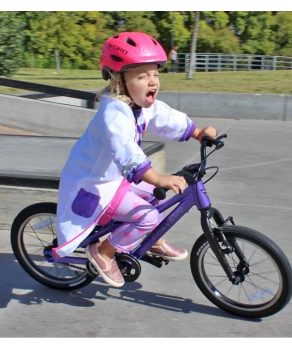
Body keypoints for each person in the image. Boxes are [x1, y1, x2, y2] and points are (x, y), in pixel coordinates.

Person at [52, 32, 217, 288]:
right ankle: (104, 252)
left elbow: (165, 117)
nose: (152, 81)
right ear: (120, 80)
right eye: (142, 76)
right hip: (96, 185)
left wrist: (197, 133)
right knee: (148, 216)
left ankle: (148, 240)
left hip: (115, 179)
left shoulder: (138, 105)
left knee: (157, 194)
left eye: (155, 74)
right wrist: (158, 176)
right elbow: (127, 152)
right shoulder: (113, 113)